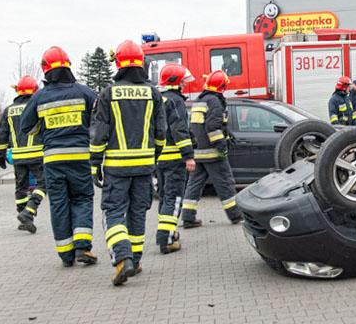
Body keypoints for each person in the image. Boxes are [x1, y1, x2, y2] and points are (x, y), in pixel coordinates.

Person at [89, 40, 167, 286]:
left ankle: (123, 259)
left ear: (119, 63)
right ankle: (136, 258)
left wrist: (95, 165)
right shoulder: (153, 92)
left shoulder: (108, 93)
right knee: (137, 213)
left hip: (116, 168)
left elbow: (99, 133)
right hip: (144, 167)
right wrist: (153, 158)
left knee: (112, 212)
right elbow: (161, 133)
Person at [20, 46, 98, 267]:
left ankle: (66, 254)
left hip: (53, 160)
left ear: (45, 70)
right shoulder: (85, 92)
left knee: (59, 203)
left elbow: (27, 127)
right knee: (82, 198)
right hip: (81, 157)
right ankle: (83, 247)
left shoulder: (39, 96)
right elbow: (100, 119)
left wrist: (44, 131)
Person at [180, 70, 242, 228]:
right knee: (225, 183)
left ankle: (188, 217)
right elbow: (213, 127)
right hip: (213, 154)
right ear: (222, 86)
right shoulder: (214, 101)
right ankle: (235, 215)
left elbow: (196, 128)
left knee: (194, 185)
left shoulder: (200, 101)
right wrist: (222, 147)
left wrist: (228, 135)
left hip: (198, 152)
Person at [155, 64, 196, 254]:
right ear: (175, 82)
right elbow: (179, 129)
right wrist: (188, 155)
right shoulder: (175, 101)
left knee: (164, 197)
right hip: (175, 159)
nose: (184, 85)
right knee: (174, 198)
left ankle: (166, 232)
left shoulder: (159, 99)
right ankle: (167, 239)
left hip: (160, 159)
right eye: (182, 81)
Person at [0, 75, 45, 234]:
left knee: (21, 187)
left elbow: (2, 133)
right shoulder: (37, 106)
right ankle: (29, 210)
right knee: (43, 183)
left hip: (18, 156)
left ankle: (24, 217)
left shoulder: (8, 110)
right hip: (37, 154)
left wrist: (1, 154)